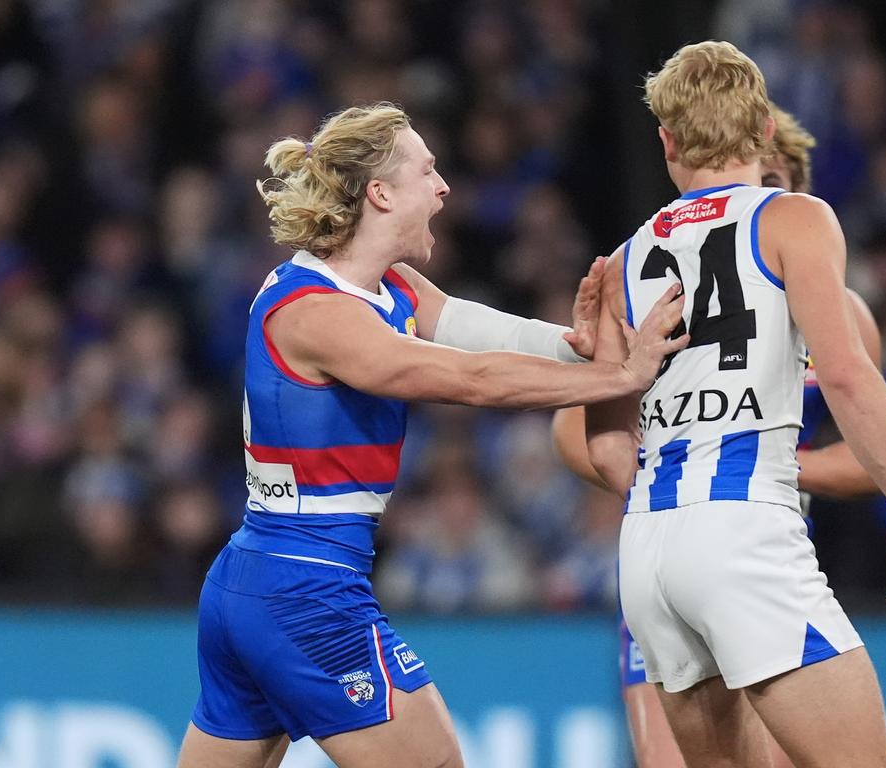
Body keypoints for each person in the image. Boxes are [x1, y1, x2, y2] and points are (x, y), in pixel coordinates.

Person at [175, 102, 689, 768]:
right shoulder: (315, 313)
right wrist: (617, 378)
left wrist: (580, 348)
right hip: (307, 588)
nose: (444, 187)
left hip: (255, 579)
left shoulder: (391, 288)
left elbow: (487, 333)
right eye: (428, 171)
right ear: (381, 193)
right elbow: (468, 380)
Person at [582, 42, 886, 768]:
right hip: (744, 530)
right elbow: (844, 375)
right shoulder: (795, 219)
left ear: (668, 140)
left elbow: (602, 439)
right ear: (766, 130)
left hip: (646, 548)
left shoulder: (624, 259)